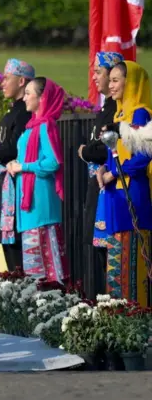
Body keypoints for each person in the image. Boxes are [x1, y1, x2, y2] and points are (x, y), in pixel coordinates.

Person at [97, 61, 152, 305]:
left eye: (117, 80)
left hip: (132, 193)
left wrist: (116, 174)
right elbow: (114, 155)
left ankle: (135, 317)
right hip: (113, 195)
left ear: (132, 83)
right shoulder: (119, 114)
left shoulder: (140, 113)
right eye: (111, 80)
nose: (111, 84)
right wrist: (103, 170)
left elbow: (144, 154)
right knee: (116, 262)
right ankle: (118, 322)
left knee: (132, 261)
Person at [5, 77, 69, 283]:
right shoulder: (32, 127)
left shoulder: (45, 126)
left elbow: (53, 162)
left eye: (29, 93)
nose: (24, 98)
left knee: (47, 265)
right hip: (30, 206)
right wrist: (16, 163)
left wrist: (23, 167)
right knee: (34, 267)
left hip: (41, 205)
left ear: (43, 98)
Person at [76, 52, 124, 298]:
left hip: (110, 188)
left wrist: (86, 151)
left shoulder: (117, 109)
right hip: (98, 184)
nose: (94, 77)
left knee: (110, 251)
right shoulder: (106, 107)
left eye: (98, 72)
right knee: (99, 249)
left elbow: (104, 148)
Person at [0, 58, 35, 272]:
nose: (2, 83)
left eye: (7, 78)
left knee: (18, 253)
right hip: (5, 187)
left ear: (22, 81)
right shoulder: (11, 114)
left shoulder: (25, 114)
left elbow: (12, 150)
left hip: (19, 189)